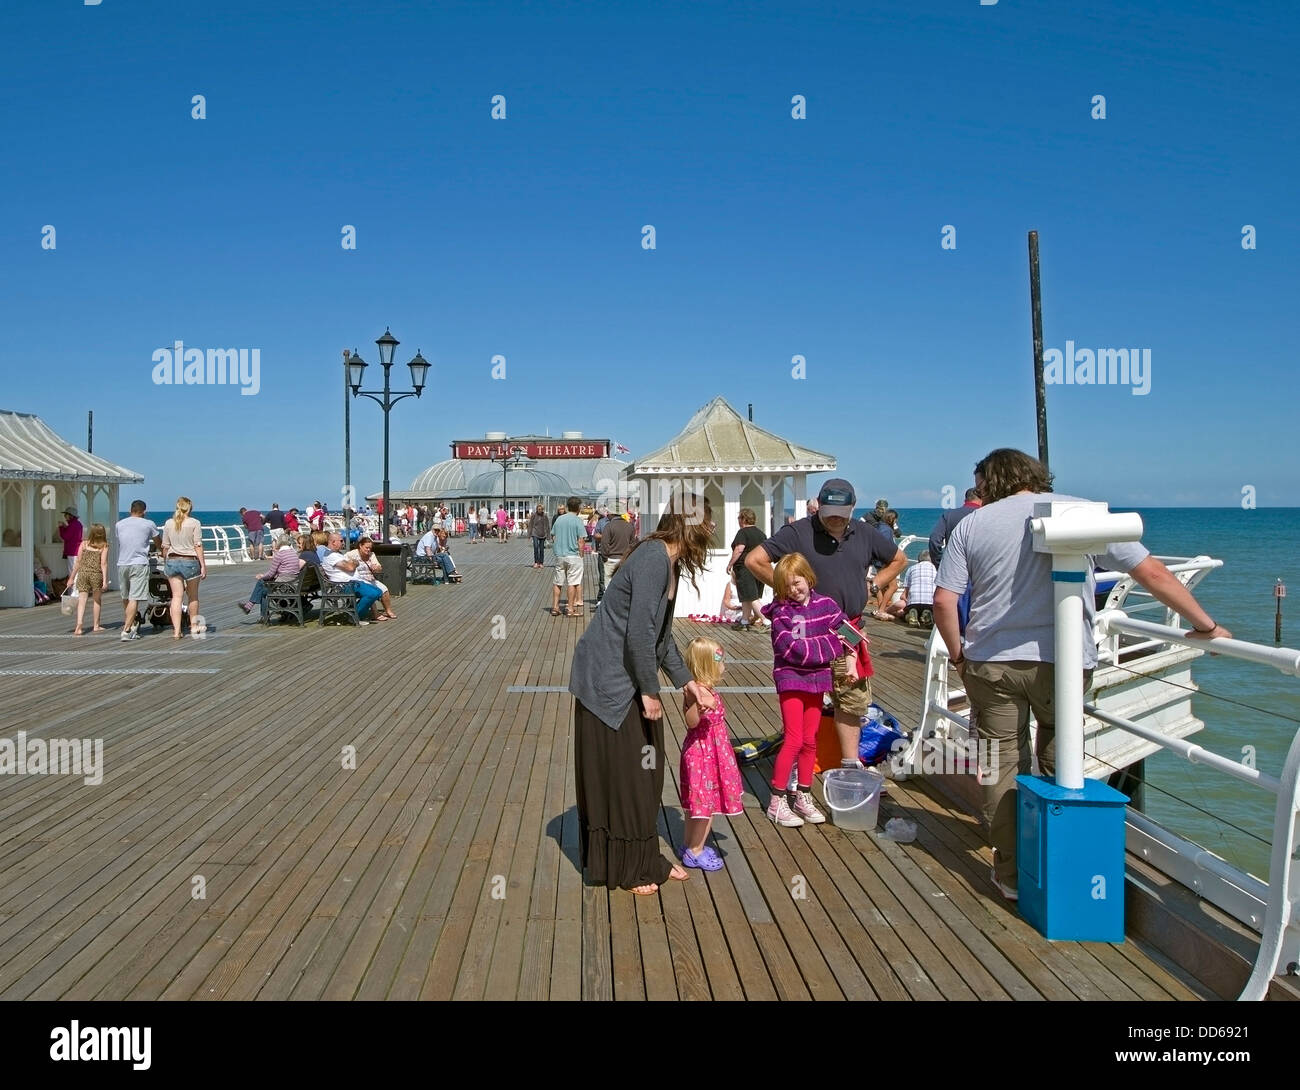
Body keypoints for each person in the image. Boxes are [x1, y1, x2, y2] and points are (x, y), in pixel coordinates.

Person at [933, 448, 1230, 902]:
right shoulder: (1083, 513)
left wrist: (958, 655)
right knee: (1060, 757)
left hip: (992, 663)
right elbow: (1149, 572)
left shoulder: (972, 524)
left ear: (989, 482)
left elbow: (943, 601)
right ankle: (1058, 863)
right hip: (1065, 664)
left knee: (1000, 763)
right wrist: (1205, 625)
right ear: (1034, 476)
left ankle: (1011, 873)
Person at [568, 491, 716, 894]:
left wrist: (688, 683)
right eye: (707, 521)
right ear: (689, 525)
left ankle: (644, 858)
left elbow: (661, 638)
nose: (713, 529)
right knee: (632, 773)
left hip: (626, 676)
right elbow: (638, 633)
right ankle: (630, 867)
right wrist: (650, 692)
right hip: (606, 681)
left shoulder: (670, 564)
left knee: (644, 771)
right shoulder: (653, 558)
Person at [746, 478, 907, 768]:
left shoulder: (865, 532)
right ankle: (799, 765)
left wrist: (874, 585)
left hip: (849, 629)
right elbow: (755, 560)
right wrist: (787, 591)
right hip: (808, 632)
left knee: (852, 700)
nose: (835, 518)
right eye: (829, 511)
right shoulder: (798, 531)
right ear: (818, 505)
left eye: (841, 514)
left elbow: (898, 559)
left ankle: (849, 764)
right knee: (805, 697)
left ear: (852, 508)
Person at [761, 552, 858, 827]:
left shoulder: (826, 605)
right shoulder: (781, 612)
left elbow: (850, 633)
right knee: (792, 739)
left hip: (817, 682)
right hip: (790, 679)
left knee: (810, 739)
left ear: (808, 577)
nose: (794, 589)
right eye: (788, 585)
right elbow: (793, 650)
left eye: (798, 582)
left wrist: (850, 659)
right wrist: (832, 644)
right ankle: (776, 801)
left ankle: (803, 794)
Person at [677, 636, 744, 871]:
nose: (723, 663)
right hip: (703, 755)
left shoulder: (704, 688)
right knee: (707, 806)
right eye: (720, 660)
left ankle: (688, 843)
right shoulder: (698, 692)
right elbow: (691, 722)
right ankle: (695, 850)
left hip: (711, 752)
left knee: (695, 805)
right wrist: (699, 706)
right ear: (708, 665)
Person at [161, 497, 206, 639]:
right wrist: (203, 565)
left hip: (172, 560)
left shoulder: (168, 523)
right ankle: (193, 626)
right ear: (190, 508)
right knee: (192, 596)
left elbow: (165, 546)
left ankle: (176, 631)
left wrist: (165, 559)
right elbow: (197, 545)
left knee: (176, 597)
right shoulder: (194, 523)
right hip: (190, 561)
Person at [115, 500, 160, 641]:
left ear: (130, 510)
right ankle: (127, 630)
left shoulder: (119, 524)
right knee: (134, 598)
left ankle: (132, 623)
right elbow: (158, 542)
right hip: (139, 563)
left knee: (126, 597)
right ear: (144, 512)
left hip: (122, 563)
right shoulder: (149, 524)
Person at [321, 532, 384, 623]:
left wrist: (353, 563)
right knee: (372, 594)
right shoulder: (330, 556)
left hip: (354, 583)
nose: (343, 543)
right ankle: (355, 617)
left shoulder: (336, 554)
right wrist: (354, 563)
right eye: (341, 541)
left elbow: (351, 564)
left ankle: (353, 611)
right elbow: (350, 567)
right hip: (345, 585)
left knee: (378, 592)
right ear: (333, 542)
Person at [238, 532, 305, 614]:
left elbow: (271, 574)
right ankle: (250, 607)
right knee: (263, 586)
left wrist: (262, 576)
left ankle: (251, 608)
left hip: (284, 585)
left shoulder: (279, 555)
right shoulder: (294, 553)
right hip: (294, 583)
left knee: (262, 585)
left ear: (279, 543)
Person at [726, 507, 769, 630]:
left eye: (739, 518)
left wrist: (730, 564)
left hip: (745, 569)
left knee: (751, 597)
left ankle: (767, 621)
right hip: (759, 568)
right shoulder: (762, 534)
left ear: (744, 519)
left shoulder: (743, 532)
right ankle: (745, 621)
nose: (738, 520)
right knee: (746, 596)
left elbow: (739, 549)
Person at [69, 523, 110, 635]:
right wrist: (105, 581)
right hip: (96, 574)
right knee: (97, 600)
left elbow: (78, 562)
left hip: (83, 573)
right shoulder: (104, 546)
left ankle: (79, 625)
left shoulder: (84, 544)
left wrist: (72, 577)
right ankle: (96, 625)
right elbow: (104, 563)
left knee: (82, 601)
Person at [550, 497, 586, 617]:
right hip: (573, 555)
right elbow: (581, 540)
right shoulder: (577, 521)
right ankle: (570, 609)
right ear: (578, 507)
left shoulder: (559, 519)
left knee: (557, 582)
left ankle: (555, 607)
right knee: (573, 582)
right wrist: (581, 555)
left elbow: (553, 536)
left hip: (560, 555)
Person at [346, 537, 397, 619]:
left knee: (384, 589)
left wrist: (376, 568)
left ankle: (388, 610)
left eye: (370, 548)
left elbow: (379, 568)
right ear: (360, 546)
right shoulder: (351, 554)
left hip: (370, 578)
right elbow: (345, 564)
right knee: (371, 591)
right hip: (359, 579)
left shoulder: (371, 555)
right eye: (366, 547)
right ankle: (375, 613)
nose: (368, 550)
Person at [884, 550, 937, 622]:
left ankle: (909, 616)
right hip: (931, 605)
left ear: (918, 560)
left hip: (913, 605)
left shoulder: (911, 569)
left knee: (902, 607)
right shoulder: (937, 569)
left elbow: (903, 596)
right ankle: (926, 615)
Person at [598, 509, 636, 601]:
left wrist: (605, 557)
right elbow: (633, 544)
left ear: (612, 514)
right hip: (624, 560)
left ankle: (610, 605)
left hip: (610, 559)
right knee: (623, 584)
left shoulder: (609, 526)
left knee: (608, 585)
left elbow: (604, 544)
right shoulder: (630, 526)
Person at [58, 506, 84, 585]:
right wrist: (65, 527)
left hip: (73, 552)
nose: (65, 516)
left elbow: (65, 536)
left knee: (72, 572)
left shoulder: (72, 525)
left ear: (70, 515)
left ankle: (74, 593)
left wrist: (61, 527)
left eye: (66, 515)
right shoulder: (78, 524)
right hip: (76, 551)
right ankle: (75, 592)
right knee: (76, 572)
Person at [529, 505, 550, 569]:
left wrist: (548, 535)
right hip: (535, 533)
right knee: (535, 547)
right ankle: (536, 562)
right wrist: (529, 534)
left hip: (542, 534)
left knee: (541, 549)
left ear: (543, 509)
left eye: (541, 509)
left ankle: (541, 562)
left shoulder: (545, 516)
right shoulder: (534, 516)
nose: (540, 510)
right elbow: (530, 525)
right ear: (537, 509)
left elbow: (547, 526)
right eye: (538, 509)